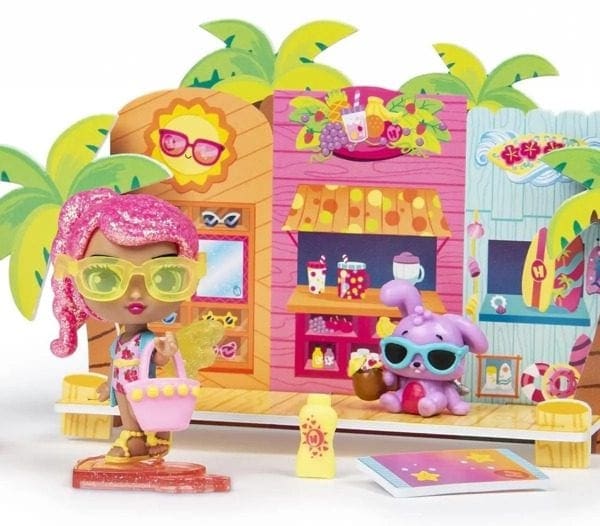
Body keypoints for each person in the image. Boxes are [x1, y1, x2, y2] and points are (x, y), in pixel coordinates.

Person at [50, 188, 202, 463]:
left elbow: (156, 357)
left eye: (164, 278)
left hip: (143, 388)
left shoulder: (146, 340)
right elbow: (116, 363)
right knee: (127, 411)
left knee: (141, 411)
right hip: (123, 387)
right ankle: (133, 437)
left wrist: (165, 353)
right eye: (105, 278)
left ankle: (152, 436)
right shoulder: (120, 341)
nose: (135, 294)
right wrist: (108, 384)